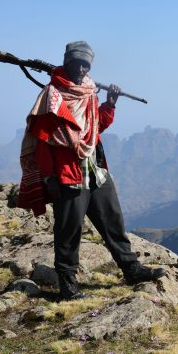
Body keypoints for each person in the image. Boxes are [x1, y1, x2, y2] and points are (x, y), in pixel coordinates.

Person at [17, 41, 165, 300]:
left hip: (94, 169)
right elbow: (43, 140)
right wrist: (50, 177)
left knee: (113, 222)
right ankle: (68, 286)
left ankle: (132, 269)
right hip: (68, 175)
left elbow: (95, 130)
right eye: (78, 63)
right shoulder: (52, 95)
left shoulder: (87, 91)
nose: (83, 69)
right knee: (68, 231)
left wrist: (110, 104)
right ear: (68, 62)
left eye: (87, 65)